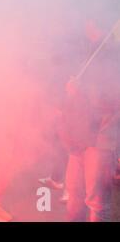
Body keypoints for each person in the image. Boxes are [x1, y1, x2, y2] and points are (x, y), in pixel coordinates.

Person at [58, 42, 120, 222]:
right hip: (79, 139)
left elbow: (107, 104)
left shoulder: (113, 68)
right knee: (74, 193)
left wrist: (79, 93)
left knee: (97, 201)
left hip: (100, 142)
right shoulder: (89, 60)